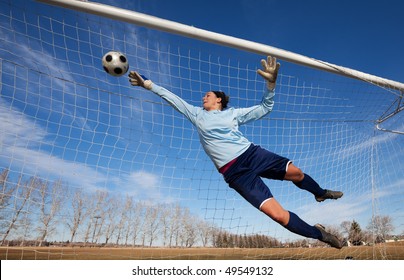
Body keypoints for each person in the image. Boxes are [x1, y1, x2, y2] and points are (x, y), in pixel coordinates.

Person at [129, 56, 343, 249]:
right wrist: (148, 84)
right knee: (278, 215)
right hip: (235, 173)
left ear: (218, 100)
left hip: (252, 155)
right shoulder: (196, 114)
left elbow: (264, 108)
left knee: (296, 173)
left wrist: (271, 84)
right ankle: (320, 234)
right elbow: (172, 98)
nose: (203, 97)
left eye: (208, 95)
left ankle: (319, 192)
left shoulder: (232, 114)